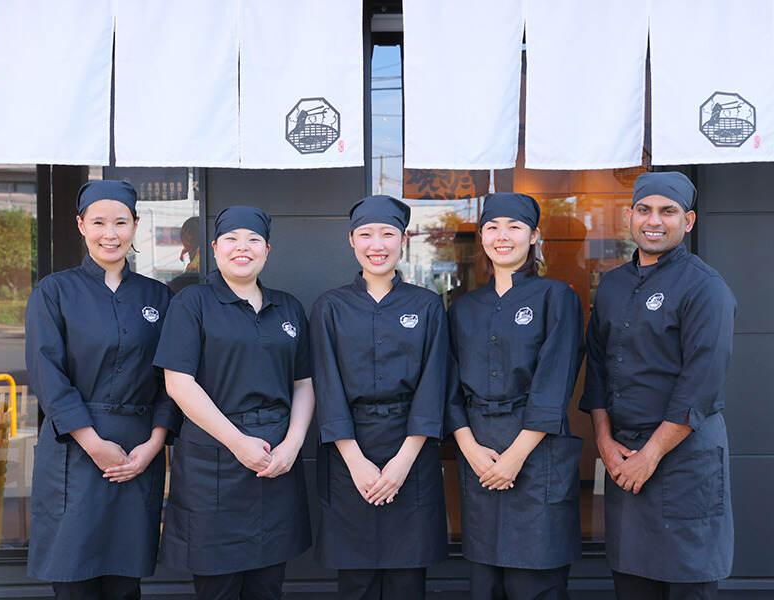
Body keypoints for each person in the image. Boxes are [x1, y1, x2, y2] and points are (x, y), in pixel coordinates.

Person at [580, 172, 736, 600]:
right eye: (645, 210)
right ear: (629, 216)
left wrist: (649, 457)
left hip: (684, 462)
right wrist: (605, 444)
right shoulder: (611, 285)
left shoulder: (706, 288)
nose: (654, 220)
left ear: (688, 221)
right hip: (624, 460)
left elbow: (700, 387)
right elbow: (598, 370)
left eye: (668, 212)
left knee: (688, 583)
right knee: (632, 584)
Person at [25, 180, 179, 599]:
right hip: (75, 450)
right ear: (81, 225)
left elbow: (173, 380)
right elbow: (47, 374)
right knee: (74, 580)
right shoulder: (54, 292)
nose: (110, 233)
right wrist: (93, 443)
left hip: (137, 451)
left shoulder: (158, 297)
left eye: (120, 222)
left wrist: (154, 445)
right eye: (98, 222)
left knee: (124, 584)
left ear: (135, 226)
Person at [153, 206, 313, 600]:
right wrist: (238, 442)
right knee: (217, 586)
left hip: (277, 458)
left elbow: (304, 383)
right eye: (231, 239)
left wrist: (292, 445)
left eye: (253, 240)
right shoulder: (193, 303)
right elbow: (179, 383)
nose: (243, 248)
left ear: (267, 250)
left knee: (268, 585)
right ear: (214, 248)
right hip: (214, 461)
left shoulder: (288, 307)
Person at [446, 193, 584, 600]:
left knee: (534, 580)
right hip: (479, 451)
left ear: (534, 235)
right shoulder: (464, 307)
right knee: (485, 581)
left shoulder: (556, 298)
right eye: (492, 227)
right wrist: (469, 447)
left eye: (514, 227)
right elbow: (448, 383)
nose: (501, 236)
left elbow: (555, 382)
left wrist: (515, 456)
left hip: (536, 452)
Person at [310, 195, 448, 600]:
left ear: (403, 240)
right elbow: (326, 385)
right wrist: (356, 462)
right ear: (351, 240)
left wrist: (402, 463)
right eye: (366, 234)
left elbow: (433, 383)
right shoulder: (329, 307)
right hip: (348, 452)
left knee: (408, 580)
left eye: (388, 233)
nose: (377, 244)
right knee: (357, 581)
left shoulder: (426, 305)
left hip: (412, 451)